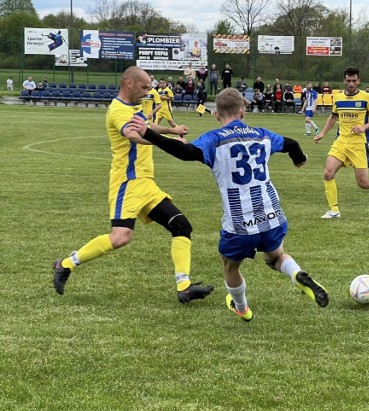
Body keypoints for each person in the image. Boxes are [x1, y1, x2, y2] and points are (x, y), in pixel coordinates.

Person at [127, 88, 329, 320]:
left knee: (230, 265)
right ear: (243, 111)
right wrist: (299, 159)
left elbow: (186, 152)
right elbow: (291, 143)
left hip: (240, 220)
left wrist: (150, 134)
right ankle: (297, 274)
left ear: (216, 115)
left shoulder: (214, 139)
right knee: (275, 256)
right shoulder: (262, 134)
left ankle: (241, 307)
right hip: (271, 212)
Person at [52, 66, 213, 303]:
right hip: (127, 183)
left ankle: (184, 286)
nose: (148, 91)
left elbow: (145, 127)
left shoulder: (135, 107)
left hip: (146, 184)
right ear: (129, 82)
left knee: (181, 226)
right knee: (120, 237)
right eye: (144, 87)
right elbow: (134, 134)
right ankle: (65, 264)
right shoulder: (117, 110)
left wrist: (171, 129)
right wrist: (165, 142)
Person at [313, 66, 369, 219]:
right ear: (344, 81)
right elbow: (333, 117)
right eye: (348, 80)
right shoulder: (337, 97)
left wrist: (364, 127)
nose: (351, 83)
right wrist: (322, 133)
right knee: (328, 172)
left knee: (363, 183)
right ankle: (334, 210)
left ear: (359, 81)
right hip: (341, 142)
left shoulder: (366, 97)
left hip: (358, 145)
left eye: (354, 81)